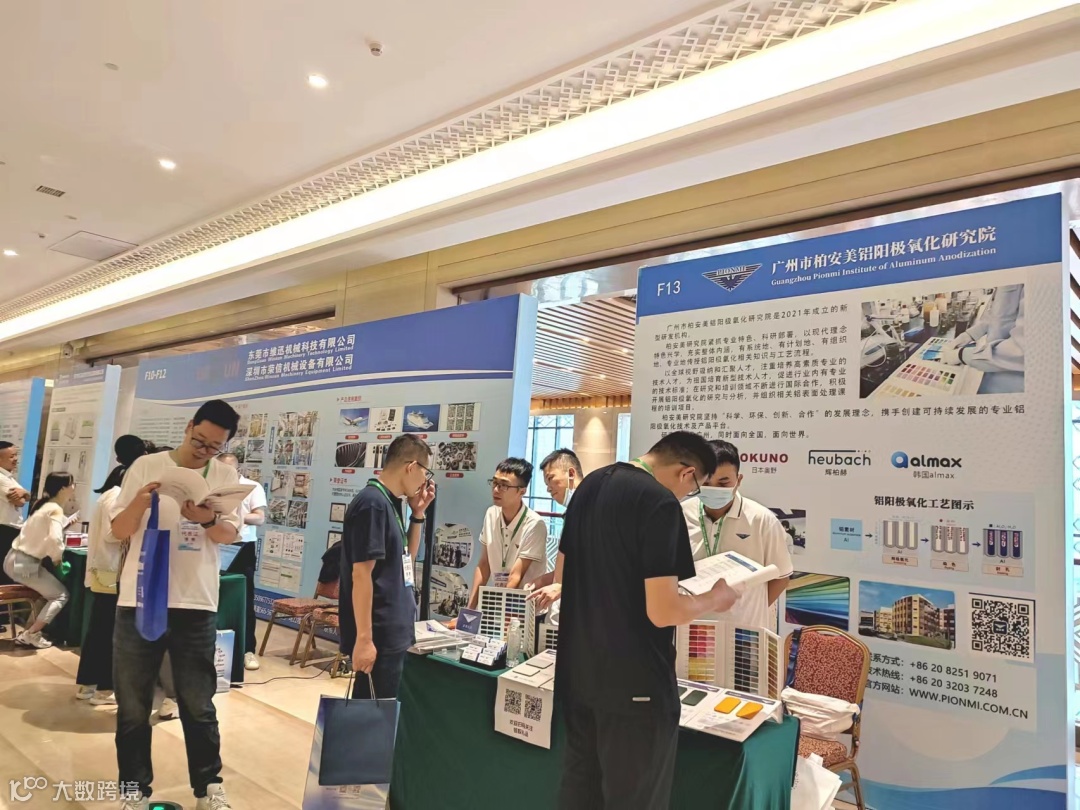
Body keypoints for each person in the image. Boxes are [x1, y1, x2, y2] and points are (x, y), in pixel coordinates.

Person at [549, 431, 738, 810]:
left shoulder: (588, 487)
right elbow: (662, 611)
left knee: (581, 792)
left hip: (578, 676)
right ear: (687, 473)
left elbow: (562, 576)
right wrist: (714, 599)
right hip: (635, 687)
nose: (687, 498)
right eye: (694, 489)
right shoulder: (660, 503)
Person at [110, 400, 243, 810]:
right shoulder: (146, 466)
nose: (204, 451)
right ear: (189, 427)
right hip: (140, 599)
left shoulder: (224, 475)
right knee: (133, 706)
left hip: (196, 601)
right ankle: (133, 792)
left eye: (214, 446)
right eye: (200, 441)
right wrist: (141, 501)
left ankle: (209, 789)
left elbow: (228, 536)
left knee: (198, 703)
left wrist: (206, 519)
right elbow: (119, 530)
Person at [340, 434, 435, 699]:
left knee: (382, 709)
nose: (425, 481)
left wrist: (418, 514)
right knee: (371, 712)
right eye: (426, 472)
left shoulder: (391, 502)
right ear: (412, 467)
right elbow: (361, 575)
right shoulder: (372, 503)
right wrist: (364, 639)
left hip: (393, 631)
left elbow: (407, 560)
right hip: (379, 634)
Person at [681, 440, 793, 629]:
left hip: (742, 629)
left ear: (738, 480)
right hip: (691, 627)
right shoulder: (680, 514)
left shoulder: (762, 520)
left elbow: (781, 577)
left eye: (723, 482)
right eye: (706, 483)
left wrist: (748, 611)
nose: (714, 489)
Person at [76, 436, 151, 705]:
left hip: (107, 571)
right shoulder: (117, 497)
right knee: (109, 632)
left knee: (100, 629)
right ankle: (104, 688)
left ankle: (88, 685)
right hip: (112, 572)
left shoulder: (109, 495)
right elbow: (112, 534)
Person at [2, 472, 76, 648]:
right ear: (63, 488)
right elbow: (54, 539)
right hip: (25, 562)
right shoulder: (55, 509)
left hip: (14, 558)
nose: (74, 487)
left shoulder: (43, 505)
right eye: (71, 484)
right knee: (61, 595)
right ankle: (31, 634)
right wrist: (57, 558)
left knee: (47, 593)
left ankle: (30, 630)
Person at [465, 458, 548, 609]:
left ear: (522, 491)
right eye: (495, 482)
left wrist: (497, 612)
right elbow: (484, 565)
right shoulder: (491, 514)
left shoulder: (535, 524)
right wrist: (469, 610)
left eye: (504, 485)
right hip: (500, 605)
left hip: (527, 609)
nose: (496, 489)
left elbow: (515, 575)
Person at [217, 452, 267, 671]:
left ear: (238, 469)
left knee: (245, 599)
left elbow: (260, 518)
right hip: (216, 544)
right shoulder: (212, 487)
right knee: (214, 597)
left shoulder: (252, 487)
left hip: (242, 546)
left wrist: (235, 517)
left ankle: (248, 650)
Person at [941, 284, 1024, 376]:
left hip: (1011, 375)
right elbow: (999, 309)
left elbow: (1021, 350)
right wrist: (970, 334)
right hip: (992, 364)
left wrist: (962, 355)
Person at [530, 449, 584, 592]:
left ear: (571, 473)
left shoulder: (590, 508)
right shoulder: (571, 512)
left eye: (551, 478)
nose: (548, 489)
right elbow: (569, 568)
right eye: (546, 484)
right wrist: (542, 581)